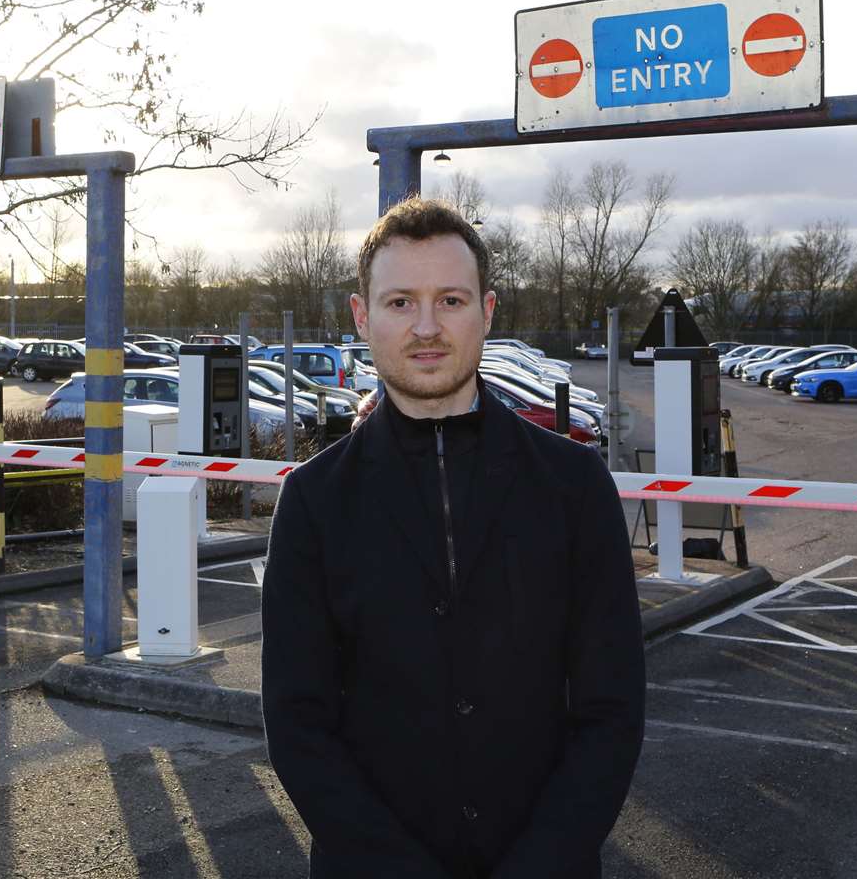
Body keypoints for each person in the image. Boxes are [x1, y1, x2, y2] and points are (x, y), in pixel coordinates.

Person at [261, 196, 645, 879]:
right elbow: (297, 723)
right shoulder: (314, 501)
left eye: (451, 301)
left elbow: (611, 711)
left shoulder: (573, 486)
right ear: (362, 315)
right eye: (402, 302)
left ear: (488, 311)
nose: (427, 327)